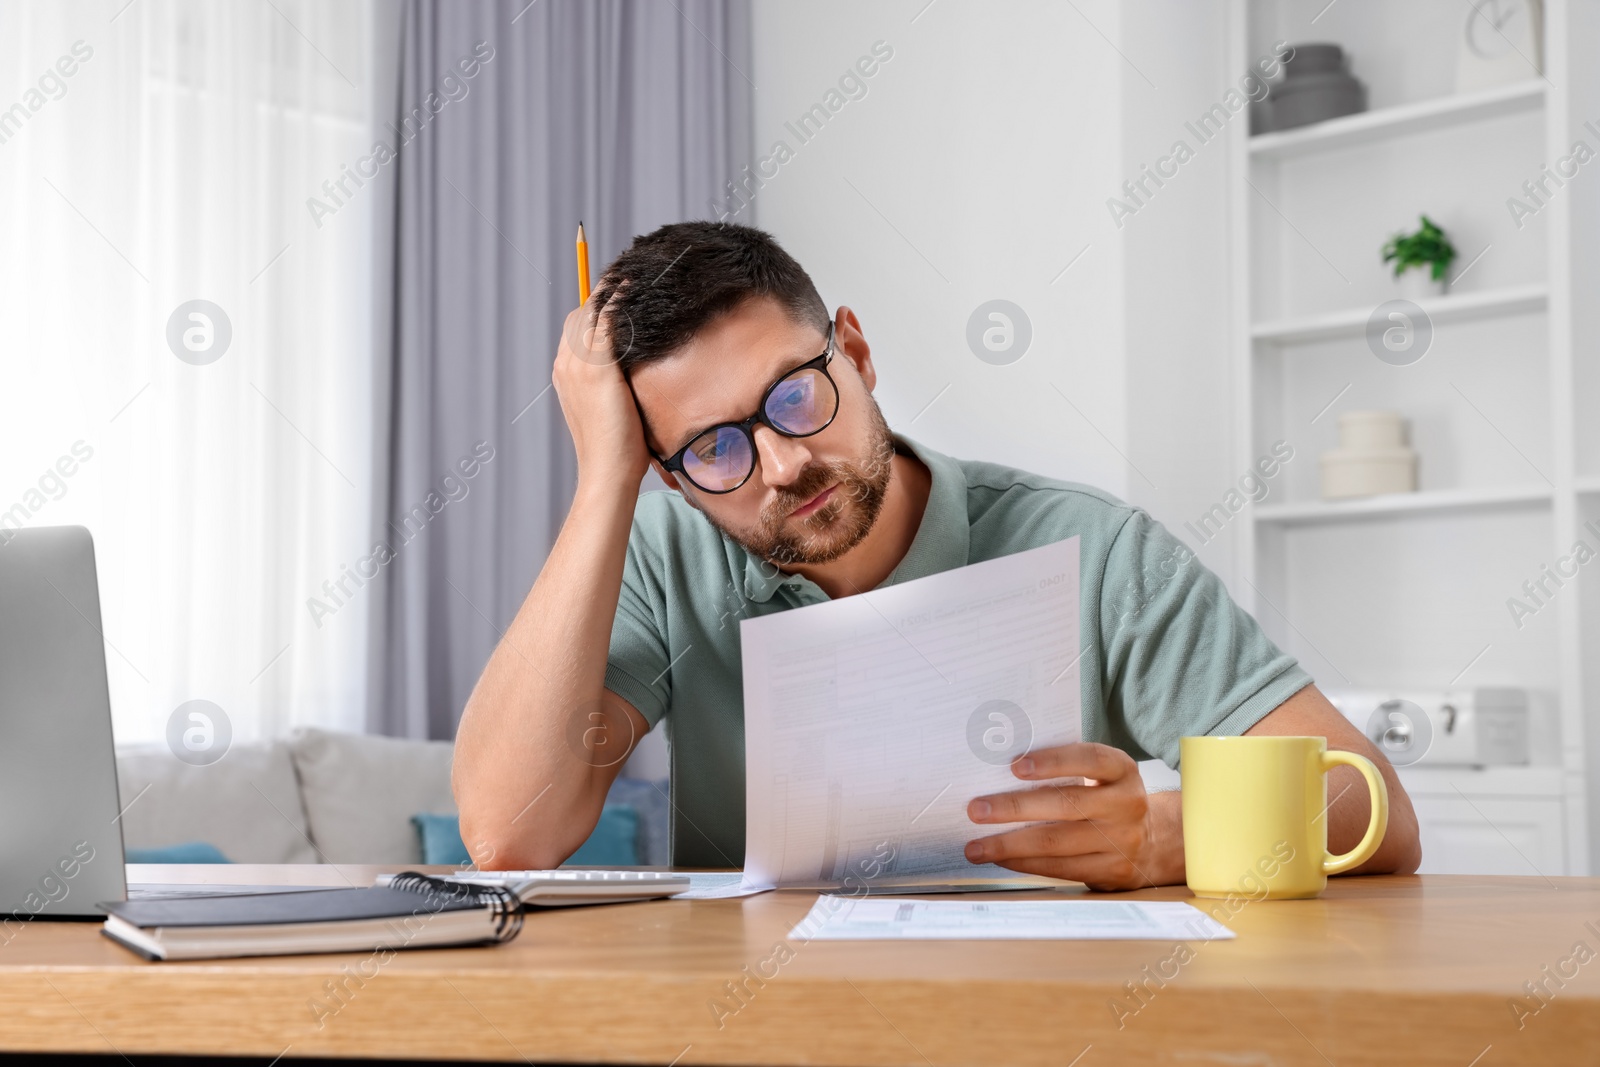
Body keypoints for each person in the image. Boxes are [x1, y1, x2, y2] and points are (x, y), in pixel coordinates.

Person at [453, 221, 1421, 888]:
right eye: (713, 447)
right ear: (667, 473)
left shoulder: (1095, 547)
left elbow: (1373, 810)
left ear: (858, 353)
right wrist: (601, 484)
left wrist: (1176, 834)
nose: (784, 463)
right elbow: (508, 830)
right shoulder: (666, 548)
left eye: (795, 392)